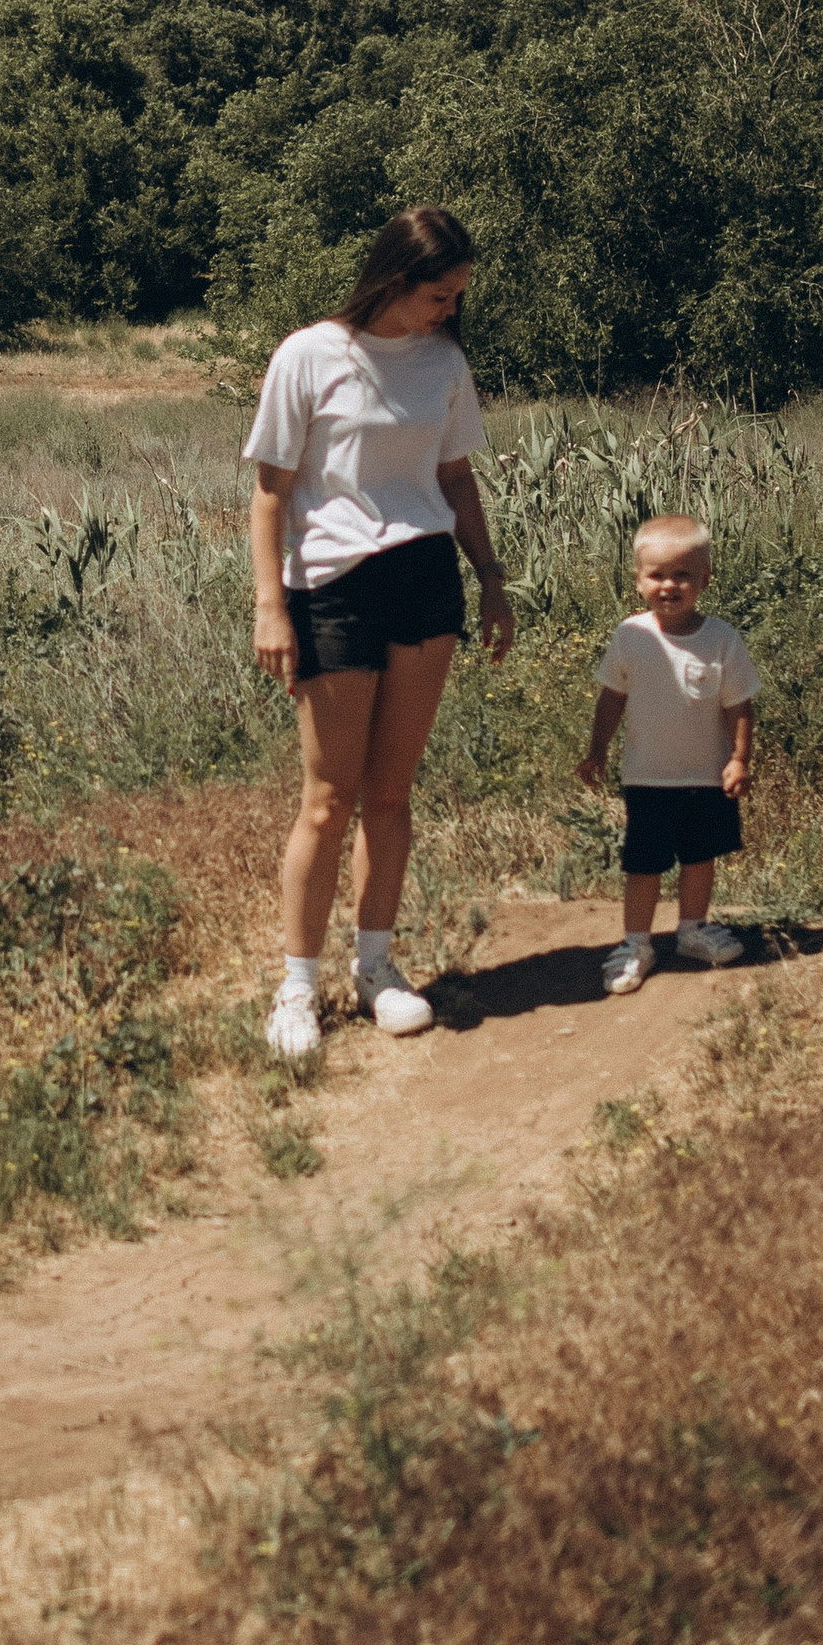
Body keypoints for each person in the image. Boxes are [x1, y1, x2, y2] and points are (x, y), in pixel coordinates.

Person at [245, 206, 516, 1062]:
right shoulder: (309, 354)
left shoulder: (444, 361)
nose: (450, 309)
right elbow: (270, 493)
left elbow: (455, 473)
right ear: (395, 279)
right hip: (333, 587)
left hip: (425, 578)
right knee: (326, 800)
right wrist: (268, 604)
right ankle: (295, 989)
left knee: (392, 793)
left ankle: (377, 967)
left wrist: (490, 576)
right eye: (441, 293)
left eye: (459, 296)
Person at [576, 514, 755, 992]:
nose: (669, 586)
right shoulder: (630, 636)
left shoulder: (722, 639)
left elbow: (740, 705)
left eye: (683, 576)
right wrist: (596, 751)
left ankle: (693, 931)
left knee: (700, 859)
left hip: (705, 777)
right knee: (643, 864)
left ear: (705, 579)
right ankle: (636, 943)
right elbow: (611, 697)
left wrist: (739, 759)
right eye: (656, 575)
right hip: (647, 778)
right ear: (638, 580)